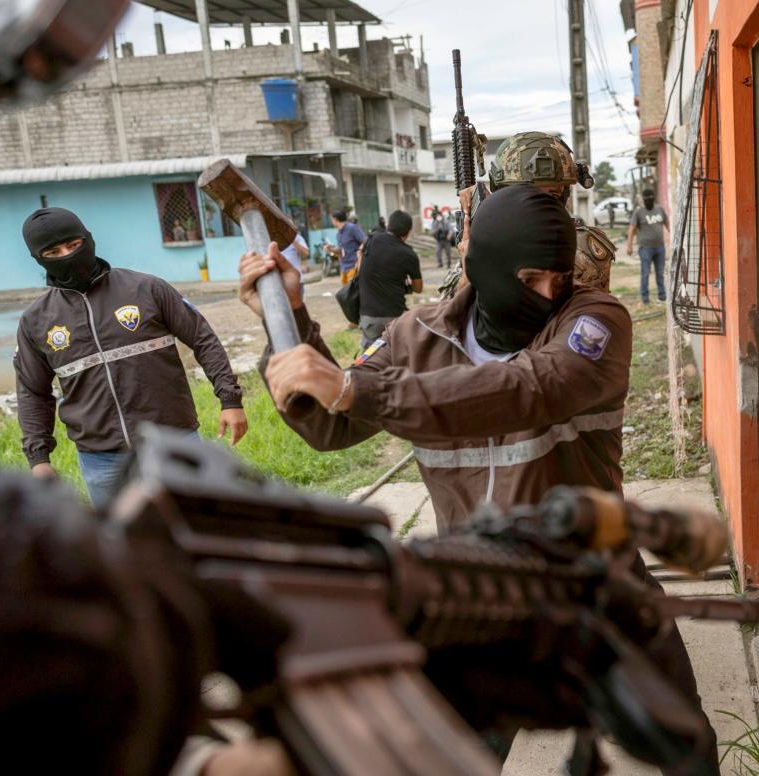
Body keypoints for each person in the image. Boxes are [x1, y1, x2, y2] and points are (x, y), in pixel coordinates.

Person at [238, 186, 718, 771]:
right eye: (532, 278)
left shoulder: (592, 320)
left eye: (559, 277)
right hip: (478, 599)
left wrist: (361, 390)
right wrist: (286, 321)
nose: (548, 293)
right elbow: (327, 427)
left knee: (682, 748)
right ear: (484, 268)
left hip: (598, 589)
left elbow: (531, 388)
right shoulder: (414, 338)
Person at [14, 207, 247, 505]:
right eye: (54, 252)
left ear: (88, 240)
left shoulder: (147, 289)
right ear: (38, 259)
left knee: (200, 530)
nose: (68, 255)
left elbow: (202, 339)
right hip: (101, 461)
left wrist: (229, 399)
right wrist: (39, 459)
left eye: (74, 245)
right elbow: (33, 391)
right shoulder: (36, 320)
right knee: (123, 545)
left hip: (174, 443)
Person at [454, 131, 615, 293]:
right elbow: (453, 311)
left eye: (552, 195)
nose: (540, 205)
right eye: (528, 195)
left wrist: (473, 266)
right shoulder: (488, 238)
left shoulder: (581, 248)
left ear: (563, 196)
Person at [356, 210, 423, 348]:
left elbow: (359, 267)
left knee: (370, 361)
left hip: (370, 317)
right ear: (408, 231)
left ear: (388, 226)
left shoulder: (372, 239)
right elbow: (418, 288)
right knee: (398, 357)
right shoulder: (409, 254)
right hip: (395, 318)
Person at [626, 188, 670, 304]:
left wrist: (673, 237)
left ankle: (662, 295)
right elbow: (631, 229)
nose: (649, 200)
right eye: (647, 199)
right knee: (645, 273)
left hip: (660, 247)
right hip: (645, 248)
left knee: (660, 273)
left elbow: (667, 223)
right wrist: (629, 246)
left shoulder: (660, 209)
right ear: (644, 200)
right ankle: (645, 298)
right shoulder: (639, 212)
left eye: (651, 198)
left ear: (653, 198)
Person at [327, 210, 366, 284]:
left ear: (335, 220)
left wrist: (359, 255)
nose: (332, 222)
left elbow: (365, 241)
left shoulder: (352, 228)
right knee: (344, 293)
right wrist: (330, 249)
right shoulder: (338, 234)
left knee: (352, 293)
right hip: (343, 268)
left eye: (332, 220)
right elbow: (341, 250)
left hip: (354, 266)